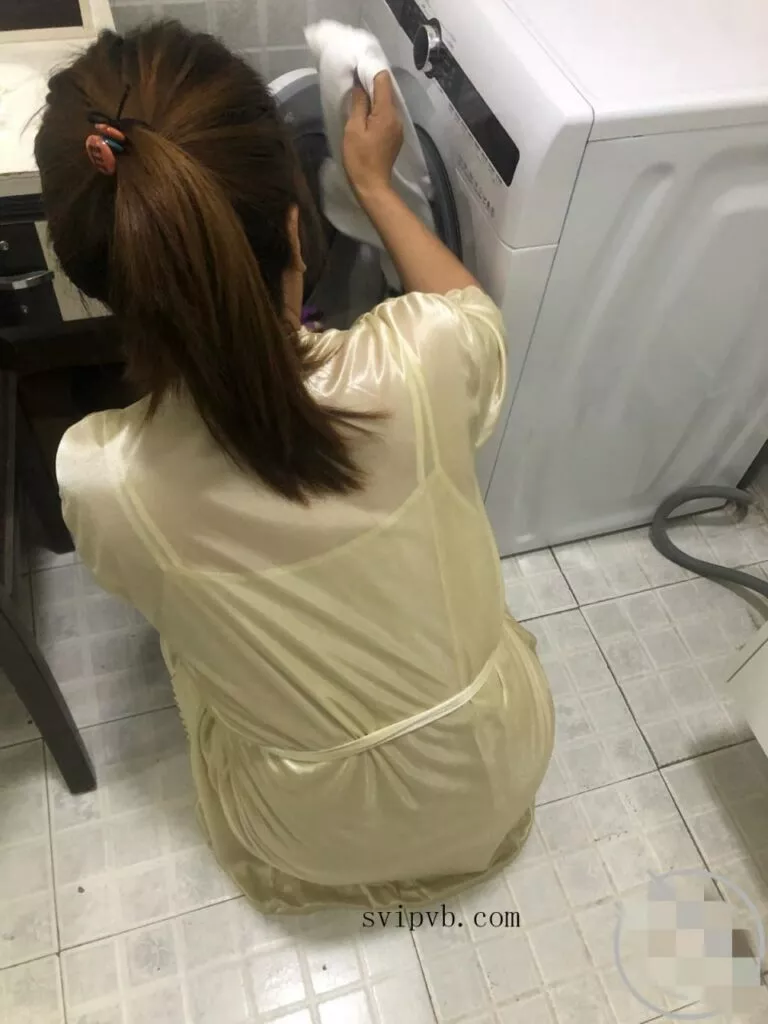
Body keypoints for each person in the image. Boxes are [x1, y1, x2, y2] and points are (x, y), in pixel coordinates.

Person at [35, 20, 554, 913]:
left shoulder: (101, 478)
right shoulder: (422, 362)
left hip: (311, 833)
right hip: (497, 763)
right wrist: (373, 184)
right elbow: (473, 315)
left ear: (94, 276)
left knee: (185, 637)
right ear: (293, 226)